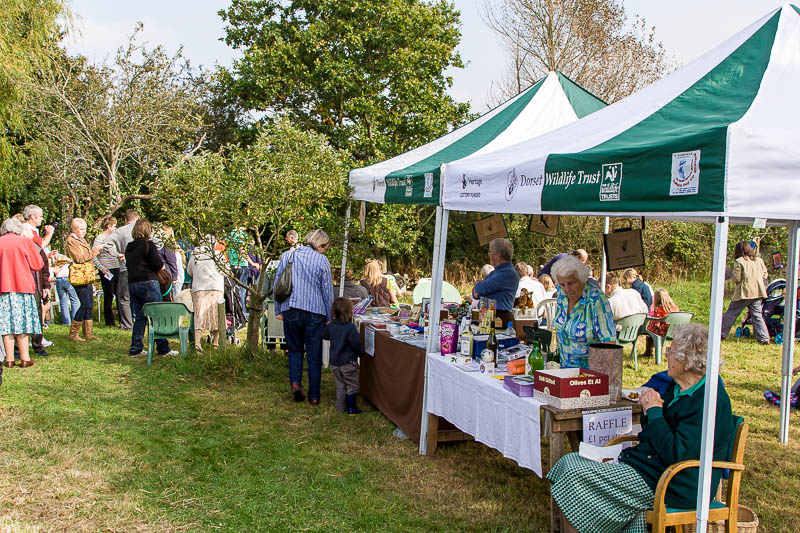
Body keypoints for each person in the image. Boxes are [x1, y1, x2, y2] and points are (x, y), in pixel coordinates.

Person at [547, 323, 734, 533]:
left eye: (671, 351)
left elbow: (676, 453)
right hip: (650, 467)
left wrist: (654, 411)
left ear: (687, 362)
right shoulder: (680, 386)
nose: (667, 355)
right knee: (570, 462)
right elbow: (654, 434)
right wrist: (648, 410)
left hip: (674, 482)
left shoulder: (708, 401)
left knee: (576, 473)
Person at [275, 229, 334, 406]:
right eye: (325, 247)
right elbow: (327, 290)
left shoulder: (287, 256)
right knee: (314, 354)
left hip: (291, 308)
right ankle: (314, 396)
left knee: (294, 349)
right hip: (315, 311)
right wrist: (329, 315)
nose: (325, 251)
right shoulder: (322, 261)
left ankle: (295, 383)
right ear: (320, 245)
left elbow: (278, 284)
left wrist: (278, 309)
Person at [551, 255, 616, 368]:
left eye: (571, 283)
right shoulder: (561, 294)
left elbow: (609, 344)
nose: (566, 289)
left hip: (587, 373)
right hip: (561, 367)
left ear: (582, 279)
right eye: (562, 284)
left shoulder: (597, 301)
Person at [124, 219, 176, 357]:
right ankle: (163, 348)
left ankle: (136, 348)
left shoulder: (129, 247)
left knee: (140, 318)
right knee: (157, 316)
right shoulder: (149, 244)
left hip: (132, 284)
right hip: (148, 283)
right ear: (148, 230)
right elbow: (157, 264)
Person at [0, 217, 44, 368]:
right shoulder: (25, 242)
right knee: (23, 324)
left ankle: (9, 358)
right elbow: (37, 264)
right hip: (23, 287)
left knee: (6, 324)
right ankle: (25, 358)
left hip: (4, 288)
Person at [721, 241, 770, 344]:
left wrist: (731, 280)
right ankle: (764, 337)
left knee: (731, 313)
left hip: (745, 292)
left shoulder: (740, 261)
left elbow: (736, 278)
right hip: (758, 292)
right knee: (757, 315)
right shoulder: (759, 260)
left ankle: (720, 333)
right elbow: (765, 274)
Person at [322, 297, 364, 414]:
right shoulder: (350, 328)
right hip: (348, 362)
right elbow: (356, 344)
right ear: (348, 311)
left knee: (340, 386)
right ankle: (351, 408)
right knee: (352, 385)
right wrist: (362, 353)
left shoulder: (331, 326)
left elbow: (324, 335)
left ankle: (340, 407)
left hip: (335, 362)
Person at [187, 238, 225, 350]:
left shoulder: (195, 253)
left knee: (199, 315)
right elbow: (225, 271)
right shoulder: (218, 254)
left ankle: (197, 343)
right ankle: (216, 343)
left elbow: (189, 271)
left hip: (199, 287)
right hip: (216, 286)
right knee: (216, 314)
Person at [66, 218, 100, 342]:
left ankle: (88, 333)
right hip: (80, 275)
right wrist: (94, 252)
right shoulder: (71, 241)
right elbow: (79, 258)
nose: (84, 232)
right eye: (81, 229)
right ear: (74, 229)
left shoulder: (81, 240)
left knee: (90, 304)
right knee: (85, 304)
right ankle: (73, 333)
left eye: (85, 229)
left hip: (87, 275)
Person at [472, 238, 519, 327]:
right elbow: (476, 294)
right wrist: (479, 288)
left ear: (498, 255)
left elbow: (482, 288)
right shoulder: (495, 272)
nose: (489, 255)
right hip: (489, 317)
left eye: (490, 252)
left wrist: (478, 284)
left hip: (500, 319)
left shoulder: (508, 273)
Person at [109, 209, 140, 330]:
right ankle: (144, 321)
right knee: (142, 295)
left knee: (124, 297)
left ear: (125, 220)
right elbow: (159, 243)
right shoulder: (144, 229)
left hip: (126, 267)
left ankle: (127, 324)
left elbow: (107, 244)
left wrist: (117, 254)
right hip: (143, 268)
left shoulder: (120, 231)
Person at [93, 217, 120, 326]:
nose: (116, 228)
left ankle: (122, 318)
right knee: (108, 295)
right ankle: (109, 321)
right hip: (106, 270)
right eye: (114, 226)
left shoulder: (115, 238)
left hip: (117, 268)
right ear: (108, 226)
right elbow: (93, 255)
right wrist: (101, 268)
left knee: (119, 294)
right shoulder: (100, 238)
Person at [53, 252, 80, 325]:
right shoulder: (69, 260)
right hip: (68, 278)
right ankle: (75, 321)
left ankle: (66, 322)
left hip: (59, 279)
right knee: (74, 300)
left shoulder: (58, 261)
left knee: (63, 301)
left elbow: (55, 271)